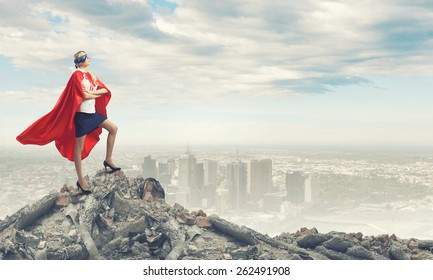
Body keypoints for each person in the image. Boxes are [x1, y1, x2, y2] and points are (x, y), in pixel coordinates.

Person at [16, 50, 120, 194]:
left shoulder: (90, 76)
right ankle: (81, 181)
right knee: (78, 148)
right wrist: (90, 94)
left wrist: (92, 94)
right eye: (85, 57)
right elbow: (83, 95)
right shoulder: (76, 75)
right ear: (79, 62)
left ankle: (108, 160)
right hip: (82, 116)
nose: (88, 58)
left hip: (93, 114)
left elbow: (104, 90)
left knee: (113, 129)